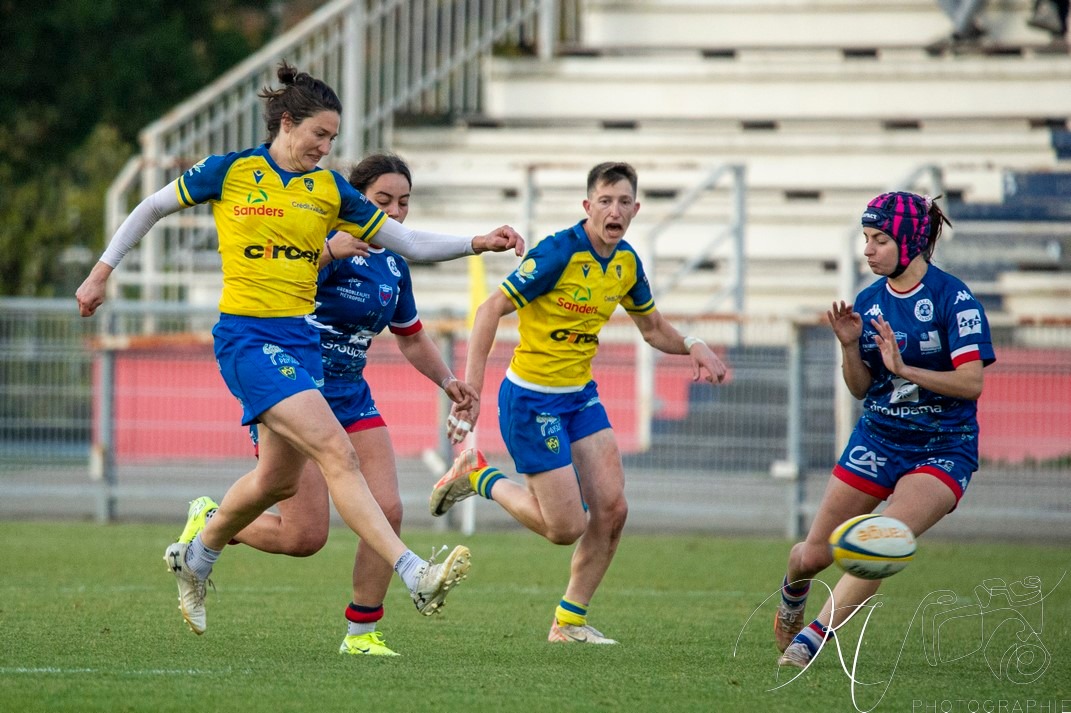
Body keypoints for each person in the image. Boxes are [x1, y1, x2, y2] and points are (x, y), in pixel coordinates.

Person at [75, 62, 525, 637]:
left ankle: (200, 552)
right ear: (287, 124)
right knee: (338, 451)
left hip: (299, 345)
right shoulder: (231, 171)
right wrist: (100, 273)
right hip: (247, 338)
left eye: (333, 138)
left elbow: (405, 240)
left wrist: (477, 242)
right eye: (320, 134)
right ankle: (414, 573)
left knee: (280, 488)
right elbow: (150, 208)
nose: (326, 146)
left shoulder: (331, 189)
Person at [181, 152, 480, 656]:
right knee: (305, 537)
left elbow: (410, 337)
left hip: (351, 395)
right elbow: (277, 284)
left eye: (404, 202)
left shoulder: (392, 264)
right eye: (383, 200)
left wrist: (448, 379)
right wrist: (329, 251)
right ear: (356, 199)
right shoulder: (312, 240)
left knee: (388, 508)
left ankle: (362, 633)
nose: (396, 212)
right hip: (294, 388)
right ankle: (214, 521)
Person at [428, 162, 729, 644]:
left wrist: (693, 342)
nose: (615, 210)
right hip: (530, 400)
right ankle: (479, 475)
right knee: (566, 527)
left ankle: (568, 623)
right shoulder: (558, 253)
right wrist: (472, 391)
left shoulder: (626, 262)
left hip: (579, 397)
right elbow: (489, 310)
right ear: (587, 207)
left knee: (612, 509)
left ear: (636, 208)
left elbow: (652, 330)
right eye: (605, 201)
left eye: (623, 202)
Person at [772, 191, 995, 668]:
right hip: (878, 439)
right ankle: (793, 593)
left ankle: (809, 641)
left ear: (910, 242)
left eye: (878, 240)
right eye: (865, 239)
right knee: (813, 555)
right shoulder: (869, 302)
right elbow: (860, 389)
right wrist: (850, 348)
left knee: (883, 540)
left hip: (944, 447)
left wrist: (906, 368)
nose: (867, 250)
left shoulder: (953, 298)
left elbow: (972, 382)